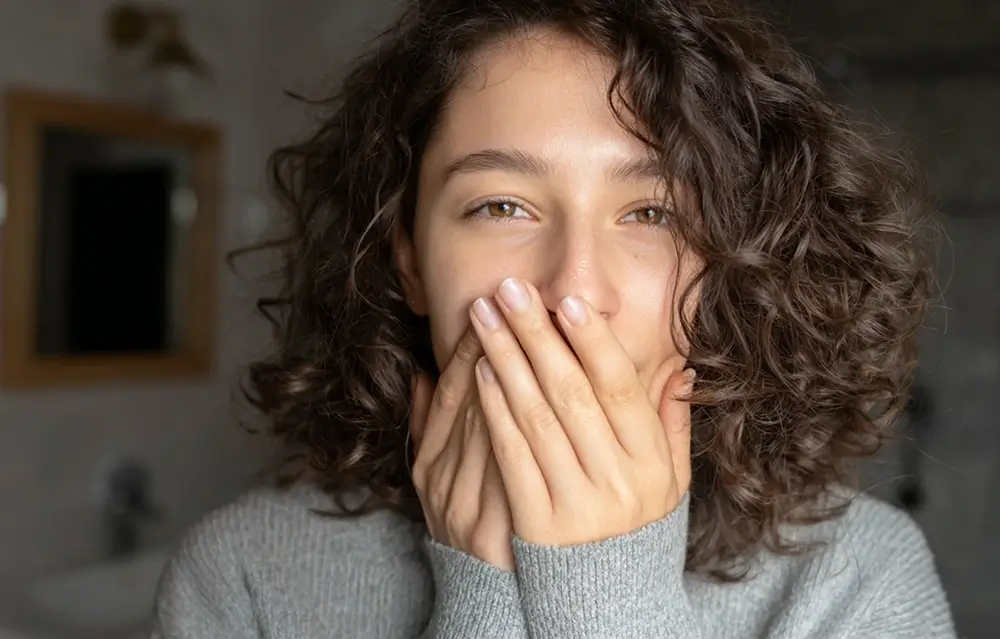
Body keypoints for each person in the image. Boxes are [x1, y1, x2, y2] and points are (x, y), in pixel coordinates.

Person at [152, 0, 957, 636]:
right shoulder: (248, 573)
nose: (573, 290)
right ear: (407, 258)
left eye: (652, 213)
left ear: (730, 264)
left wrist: (607, 591)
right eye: (501, 205)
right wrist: (482, 598)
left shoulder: (856, 576)